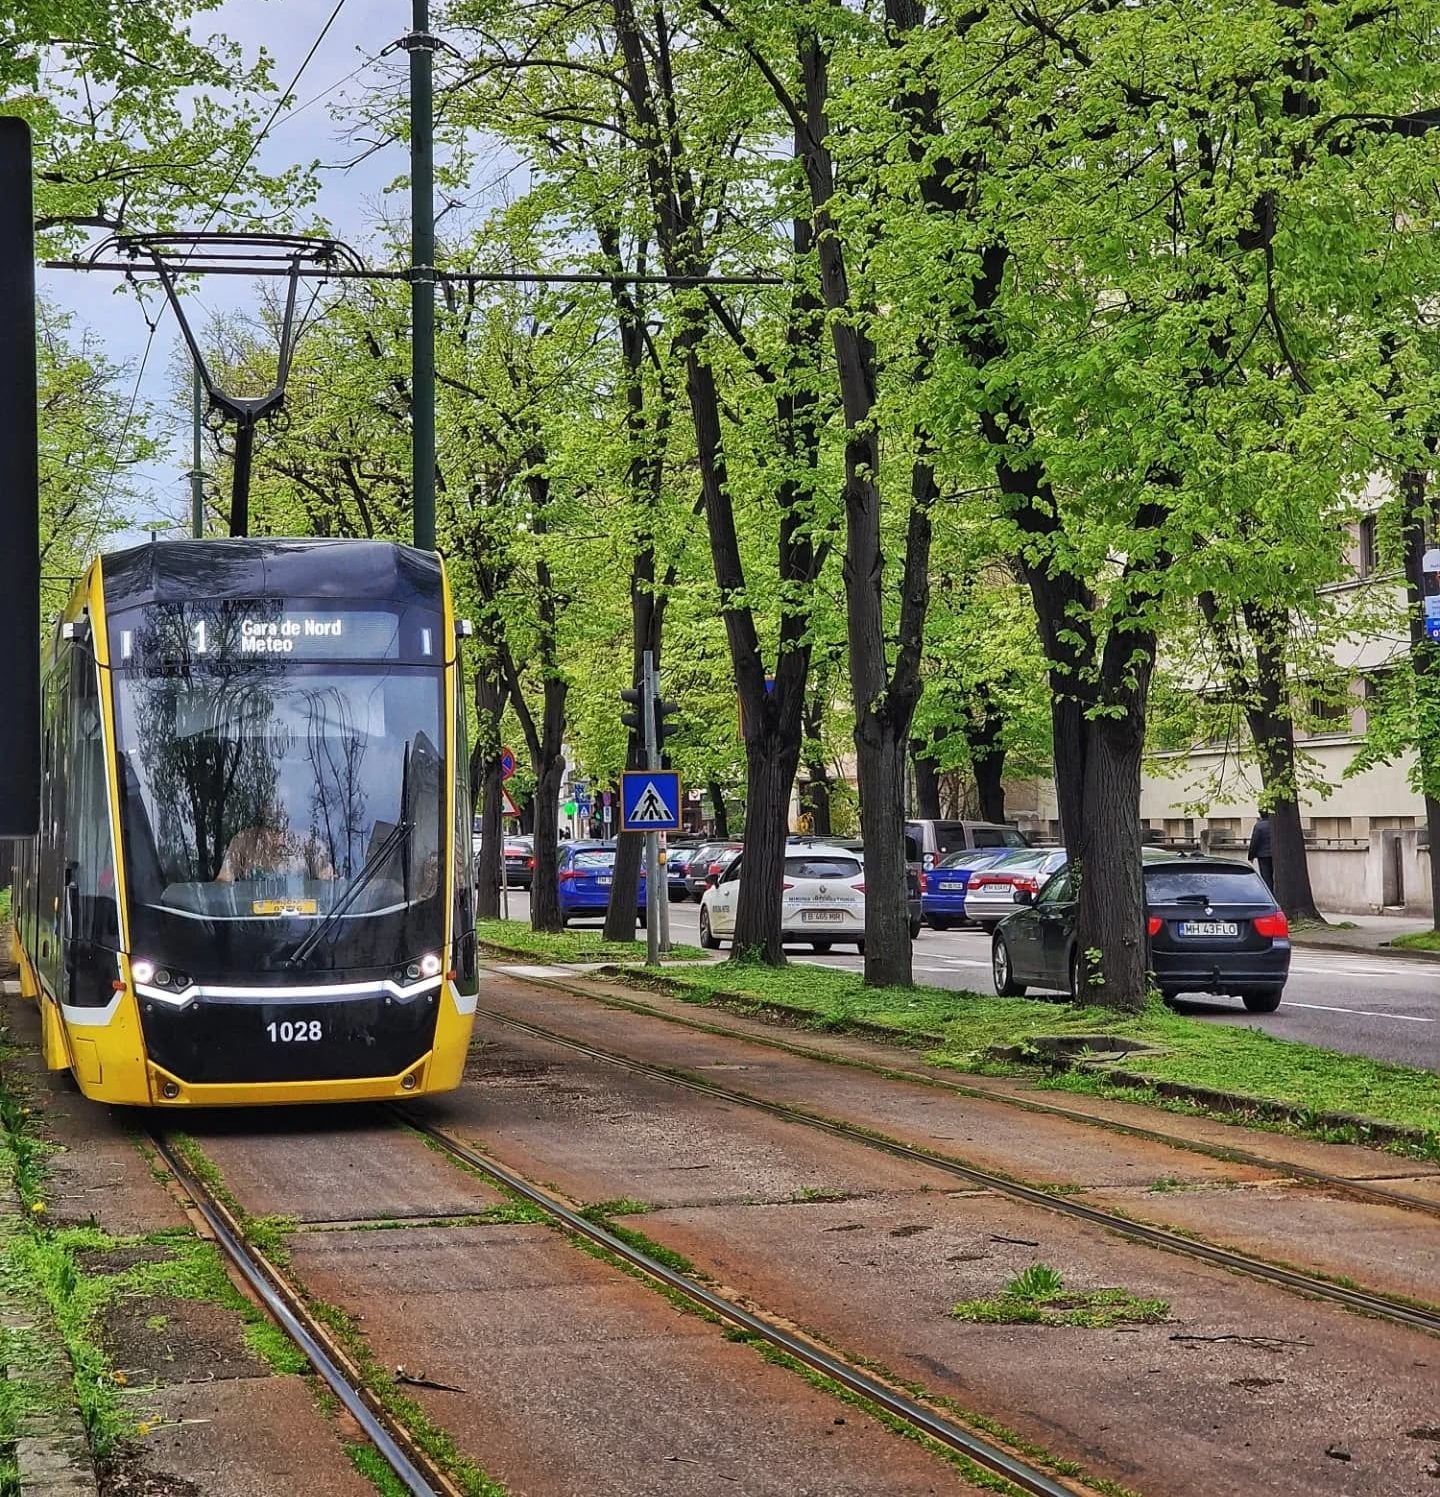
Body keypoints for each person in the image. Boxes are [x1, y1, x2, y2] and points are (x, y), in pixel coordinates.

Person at [216, 806, 334, 883]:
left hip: (302, 913)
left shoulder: (310, 843)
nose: (279, 839)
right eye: (271, 827)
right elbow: (223, 884)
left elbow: (328, 885)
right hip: (250, 914)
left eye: (282, 827)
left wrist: (331, 878)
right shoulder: (242, 841)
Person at [1247, 813, 1274, 893]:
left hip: (1263, 855)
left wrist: (1251, 856)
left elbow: (1254, 842)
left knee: (1266, 877)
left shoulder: (1258, 826)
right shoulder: (1274, 825)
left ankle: (1269, 894)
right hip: (1275, 855)